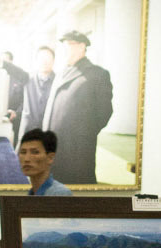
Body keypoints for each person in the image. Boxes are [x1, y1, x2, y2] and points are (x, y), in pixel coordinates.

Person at [41, 31, 113, 184]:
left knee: (77, 195)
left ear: (81, 47)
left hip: (77, 150)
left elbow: (105, 112)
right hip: (54, 147)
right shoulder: (61, 73)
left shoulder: (97, 74)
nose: (63, 50)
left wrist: (82, 134)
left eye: (67, 45)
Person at [14, 46, 57, 143]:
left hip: (49, 132)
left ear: (53, 61)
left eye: (48, 58)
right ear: (36, 60)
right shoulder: (28, 78)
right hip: (28, 131)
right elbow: (22, 101)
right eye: (42, 58)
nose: (45, 61)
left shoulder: (59, 82)